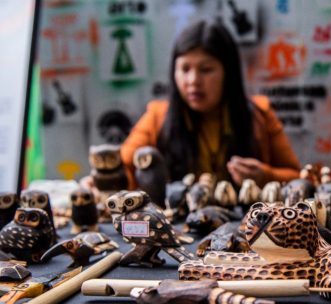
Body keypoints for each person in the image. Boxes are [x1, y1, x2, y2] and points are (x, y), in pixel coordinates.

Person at [118, 19, 301, 190]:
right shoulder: (158, 118)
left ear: (228, 73)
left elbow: (299, 179)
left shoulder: (259, 114)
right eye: (185, 69)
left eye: (206, 70)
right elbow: (122, 170)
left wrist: (265, 176)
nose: (193, 81)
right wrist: (105, 179)